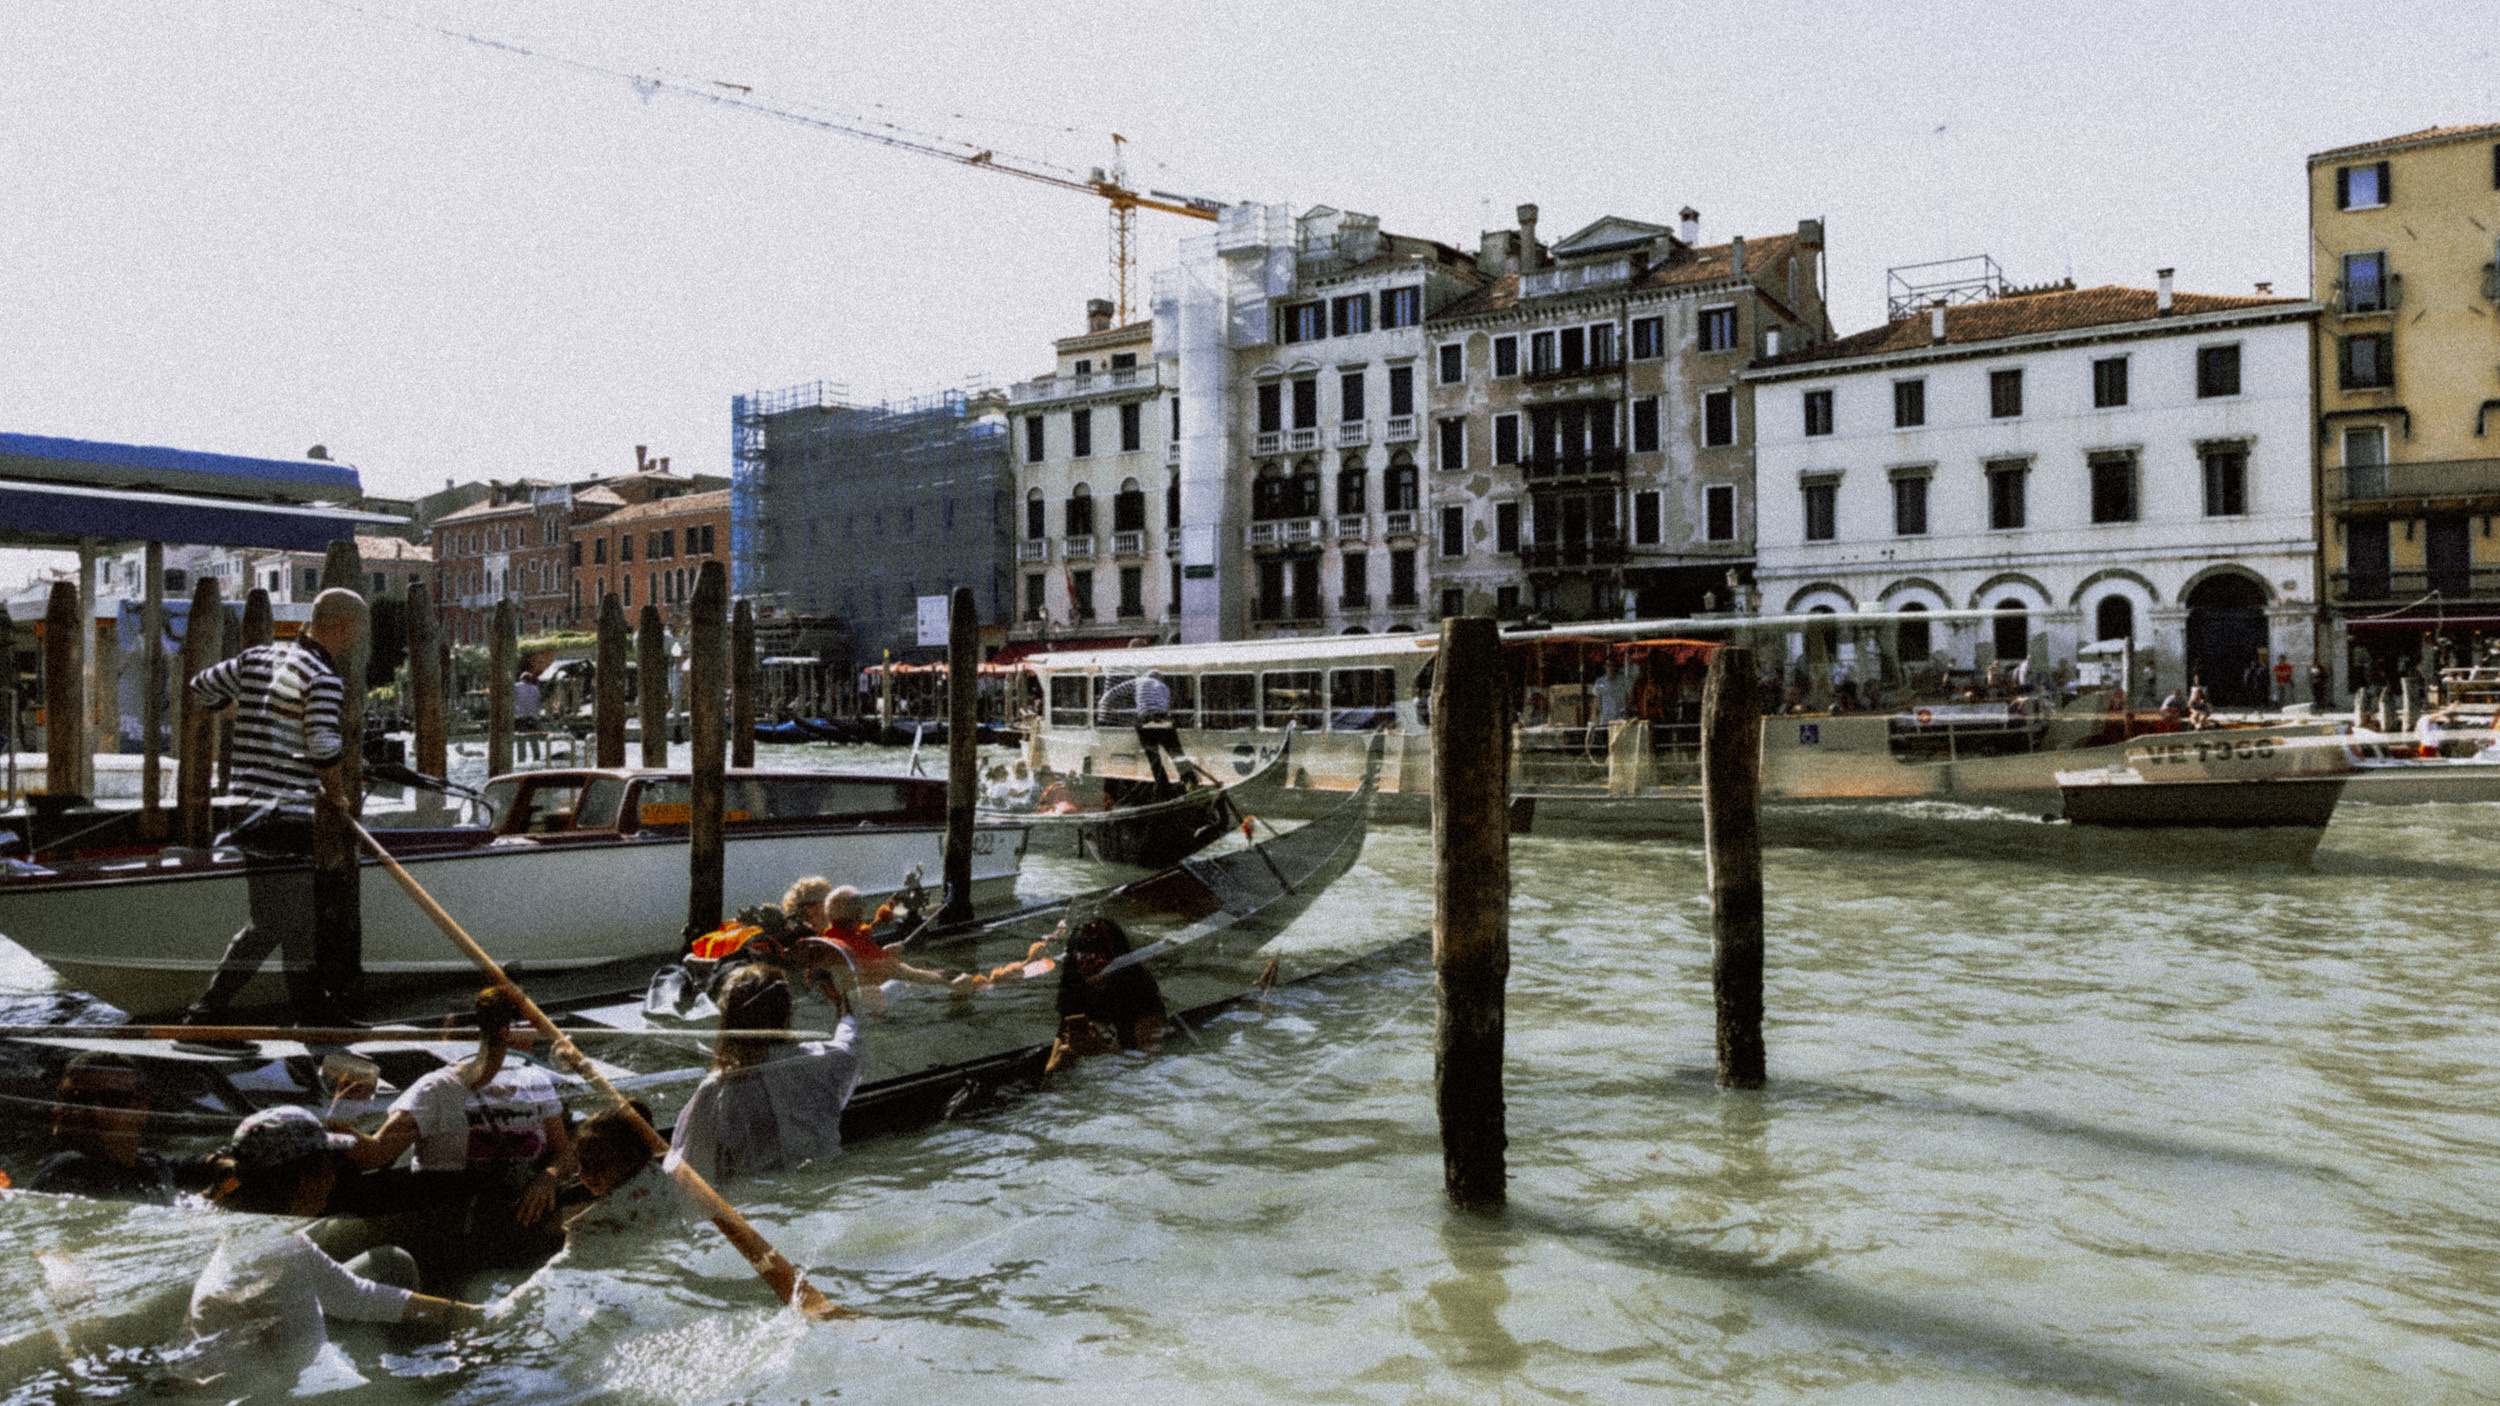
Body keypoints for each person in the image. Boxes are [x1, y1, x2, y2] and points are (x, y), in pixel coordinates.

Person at [183, 1106, 481, 1391]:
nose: (335, 1175)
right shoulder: (277, 1262)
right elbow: (316, 1375)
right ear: (303, 1181)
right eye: (330, 1164)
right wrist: (440, 1381)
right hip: (238, 1391)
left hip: (244, 1373)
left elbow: (353, 1295)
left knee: (395, 1266)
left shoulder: (272, 1236)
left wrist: (467, 1314)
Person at [180, 588, 367, 1026]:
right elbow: (322, 746)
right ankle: (206, 1013)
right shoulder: (322, 676)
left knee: (295, 921)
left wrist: (238, 713)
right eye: (358, 630)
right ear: (342, 626)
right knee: (275, 923)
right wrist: (337, 794)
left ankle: (312, 1014)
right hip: (282, 813)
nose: (358, 640)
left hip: (245, 808)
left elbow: (201, 687)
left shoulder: (257, 658)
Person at [330, 987, 576, 1285]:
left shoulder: (535, 1081)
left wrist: (547, 1179)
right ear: (504, 1031)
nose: (538, 1030)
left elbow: (564, 1153)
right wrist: (341, 1117)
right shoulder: (436, 1089)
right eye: (528, 1023)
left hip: (518, 1229)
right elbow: (376, 1153)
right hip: (453, 1233)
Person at [668, 964, 861, 1184]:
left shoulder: (718, 1089)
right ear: (786, 1012)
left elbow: (690, 1172)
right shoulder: (820, 1060)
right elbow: (850, 1043)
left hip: (761, 1204)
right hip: (825, 1191)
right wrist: (841, 1004)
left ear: (729, 1019)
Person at [25, 1051, 212, 1203]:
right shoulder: (69, 1170)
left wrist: (216, 1163)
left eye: (113, 1099)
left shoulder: (145, 1165)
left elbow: (173, 1167)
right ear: (57, 1115)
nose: (95, 1111)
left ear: (142, 1112)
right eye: (77, 1099)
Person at [1046, 917, 1167, 1075]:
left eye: (1102, 969)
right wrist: (1063, 1060)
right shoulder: (1074, 996)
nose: (1097, 979)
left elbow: (1151, 1065)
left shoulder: (1142, 996)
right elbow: (1049, 1073)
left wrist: (1102, 1051)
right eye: (1088, 973)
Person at [1132, 670, 1192, 788]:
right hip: (1162, 724)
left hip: (1146, 725)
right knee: (1176, 755)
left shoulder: (1142, 690)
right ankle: (1190, 782)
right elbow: (1166, 706)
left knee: (1155, 760)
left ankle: (1163, 787)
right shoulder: (1163, 688)